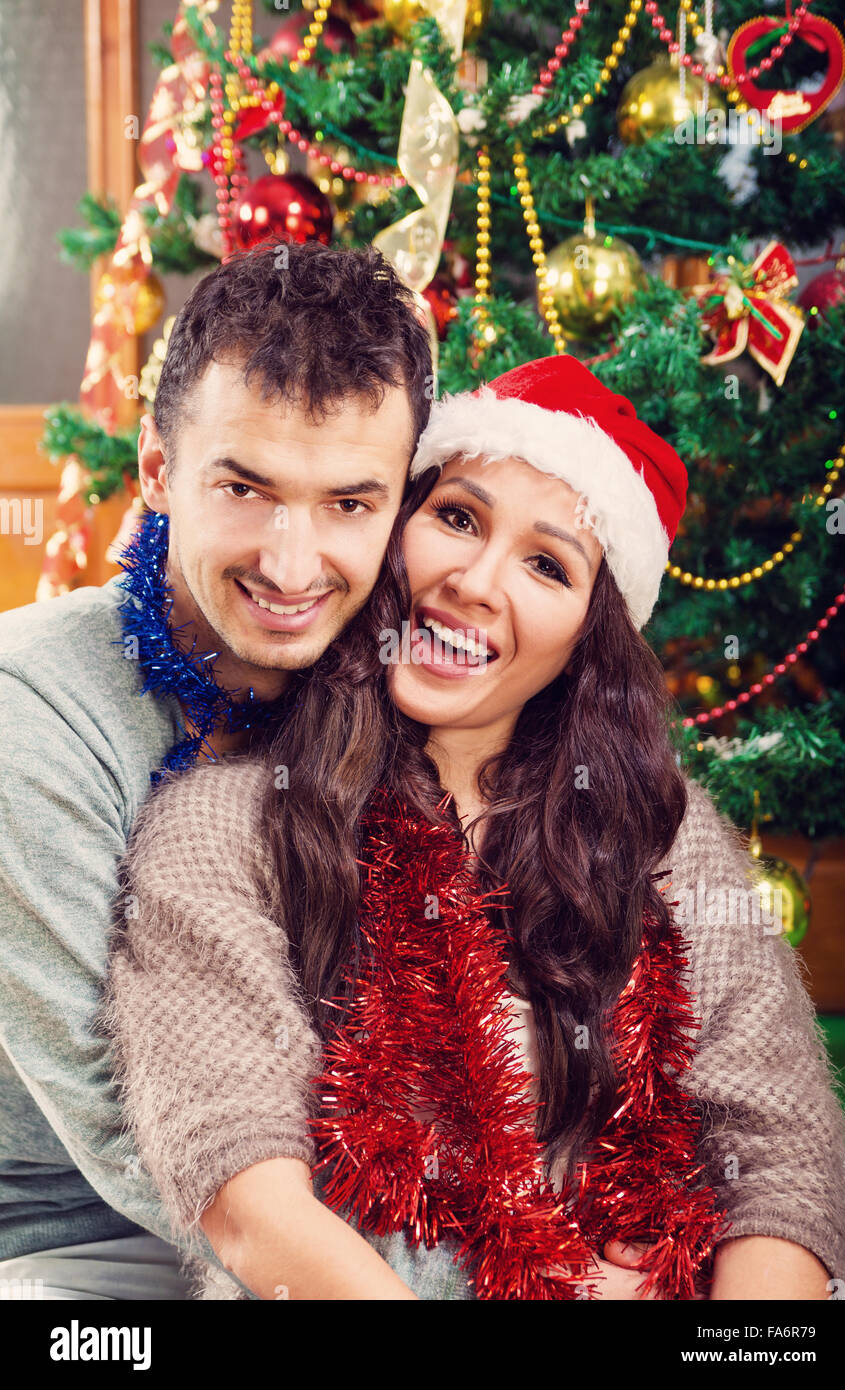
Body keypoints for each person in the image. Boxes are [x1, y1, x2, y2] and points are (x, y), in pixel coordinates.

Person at [105, 355, 845, 1300]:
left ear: (592, 630)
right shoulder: (228, 826)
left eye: (547, 565)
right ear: (395, 533)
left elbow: (783, 1156)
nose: (474, 580)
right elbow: (244, 1198)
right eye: (457, 518)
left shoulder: (659, 831)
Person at [0, 238, 433, 1299]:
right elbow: (130, 1116)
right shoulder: (30, 709)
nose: (292, 565)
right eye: (245, 486)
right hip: (73, 1232)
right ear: (157, 469)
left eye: (348, 502)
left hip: (355, 1202)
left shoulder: (422, 678)